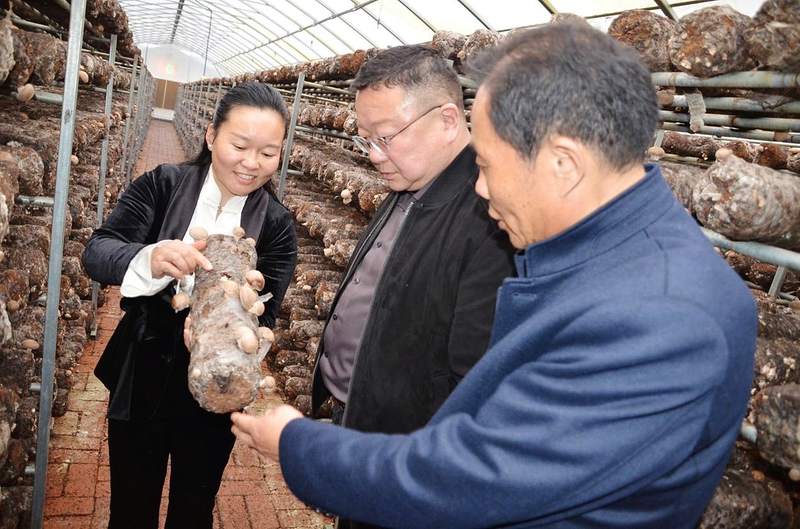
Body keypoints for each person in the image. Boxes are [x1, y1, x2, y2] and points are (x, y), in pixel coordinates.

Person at [231, 24, 757, 528]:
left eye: (485, 164)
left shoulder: (661, 314)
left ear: (564, 164)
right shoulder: (605, 256)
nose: (479, 189)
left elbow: (472, 480)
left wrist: (297, 445)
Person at [82, 82, 298, 529]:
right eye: (239, 145)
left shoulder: (277, 225)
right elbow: (98, 252)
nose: (251, 163)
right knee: (131, 506)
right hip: (144, 370)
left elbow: (268, 313)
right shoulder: (163, 184)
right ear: (211, 136)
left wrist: (240, 317)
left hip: (218, 388)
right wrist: (150, 258)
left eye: (267, 152)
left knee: (193, 509)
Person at [310, 44, 515, 437]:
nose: (374, 156)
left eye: (385, 137)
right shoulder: (412, 175)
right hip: (355, 416)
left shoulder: (492, 216)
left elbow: (472, 380)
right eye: (366, 139)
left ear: (448, 120)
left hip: (395, 443)